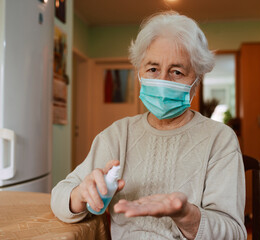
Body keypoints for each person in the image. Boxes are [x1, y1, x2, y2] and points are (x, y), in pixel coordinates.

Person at [51, 11, 247, 240]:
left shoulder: (219, 139)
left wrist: (186, 215)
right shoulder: (118, 134)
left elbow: (234, 233)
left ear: (196, 82)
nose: (163, 80)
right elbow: (59, 196)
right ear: (139, 73)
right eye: (153, 69)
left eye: (177, 71)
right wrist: (80, 195)